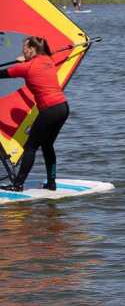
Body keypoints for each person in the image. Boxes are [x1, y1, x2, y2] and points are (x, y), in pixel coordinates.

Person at [0, 36, 69, 192]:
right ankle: (52, 183)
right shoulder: (48, 60)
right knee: (47, 145)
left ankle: (17, 185)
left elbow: (2, 74)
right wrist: (25, 59)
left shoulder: (25, 68)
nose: (22, 50)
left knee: (30, 147)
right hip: (63, 108)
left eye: (24, 48)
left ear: (31, 49)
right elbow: (40, 60)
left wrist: (23, 62)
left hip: (49, 110)